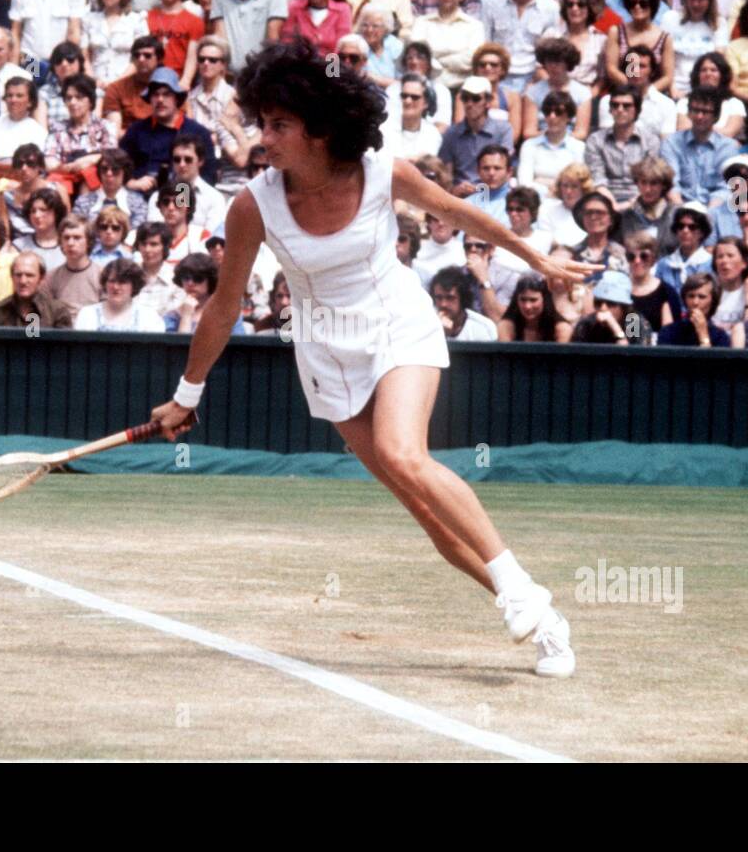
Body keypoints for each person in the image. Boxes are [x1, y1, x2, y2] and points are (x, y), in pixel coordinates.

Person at [151, 40, 600, 677]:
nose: (264, 138)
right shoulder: (253, 204)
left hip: (397, 323)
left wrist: (539, 259)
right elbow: (223, 307)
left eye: (280, 126)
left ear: (319, 129)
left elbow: (460, 212)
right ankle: (540, 616)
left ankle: (520, 585)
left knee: (402, 452)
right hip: (325, 350)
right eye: (263, 123)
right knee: (422, 506)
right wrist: (187, 395)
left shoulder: (382, 171)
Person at [118, 67, 216, 225]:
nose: (160, 100)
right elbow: (117, 164)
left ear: (177, 98)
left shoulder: (197, 132)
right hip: (140, 197)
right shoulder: (137, 130)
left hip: (182, 193)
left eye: (166, 94)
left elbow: (209, 174)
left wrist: (181, 195)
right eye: (155, 95)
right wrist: (131, 182)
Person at [660, 85, 739, 207]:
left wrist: (707, 215)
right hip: (679, 207)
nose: (699, 116)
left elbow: (725, 187)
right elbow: (671, 184)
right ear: (688, 113)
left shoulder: (728, 147)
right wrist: (684, 211)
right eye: (695, 110)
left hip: (715, 209)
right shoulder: (672, 143)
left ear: (716, 116)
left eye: (706, 112)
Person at [584, 83, 660, 206]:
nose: (620, 110)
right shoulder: (595, 140)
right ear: (610, 109)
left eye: (626, 106)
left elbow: (650, 182)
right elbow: (598, 180)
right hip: (604, 200)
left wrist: (629, 205)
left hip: (641, 201)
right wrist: (613, 206)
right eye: (615, 105)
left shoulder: (650, 141)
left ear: (637, 110)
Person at [0, 249, 73, 328]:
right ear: (11, 277)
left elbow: (64, 346)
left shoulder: (57, 313)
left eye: (29, 275)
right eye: (18, 275)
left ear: (41, 278)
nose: (23, 281)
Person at [74, 257, 165, 331]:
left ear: (134, 285)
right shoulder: (88, 314)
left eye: (122, 282)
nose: (116, 287)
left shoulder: (148, 316)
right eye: (112, 281)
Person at [43, 214, 103, 318]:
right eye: (66, 238)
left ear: (88, 242)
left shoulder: (102, 275)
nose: (70, 243)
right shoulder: (51, 277)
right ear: (60, 242)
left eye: (77, 238)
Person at [570, 269, 651, 345]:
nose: (603, 308)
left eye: (610, 303)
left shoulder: (632, 321)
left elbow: (632, 357)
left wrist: (615, 328)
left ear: (623, 307)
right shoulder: (587, 324)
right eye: (598, 302)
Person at [657, 272, 730, 347]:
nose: (695, 302)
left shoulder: (720, 337)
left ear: (713, 301)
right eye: (691, 296)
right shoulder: (669, 332)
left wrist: (703, 335)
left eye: (702, 297)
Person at [497, 272, 570, 342]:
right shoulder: (506, 326)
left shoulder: (561, 329)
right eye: (523, 300)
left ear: (545, 300)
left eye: (533, 300)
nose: (527, 306)